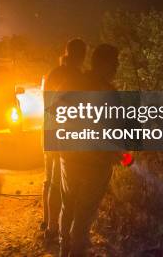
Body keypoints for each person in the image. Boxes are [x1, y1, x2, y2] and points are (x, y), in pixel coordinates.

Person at [59, 44, 120, 257]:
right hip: (95, 164)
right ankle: (76, 251)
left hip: (69, 158)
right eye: (114, 62)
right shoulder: (109, 93)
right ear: (104, 64)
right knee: (84, 214)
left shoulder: (72, 82)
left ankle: (63, 248)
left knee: (68, 206)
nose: (117, 67)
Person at [42, 38, 88, 244]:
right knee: (66, 184)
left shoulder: (54, 73)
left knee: (53, 181)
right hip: (67, 135)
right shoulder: (78, 76)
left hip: (52, 131)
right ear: (82, 55)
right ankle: (63, 229)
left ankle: (52, 225)